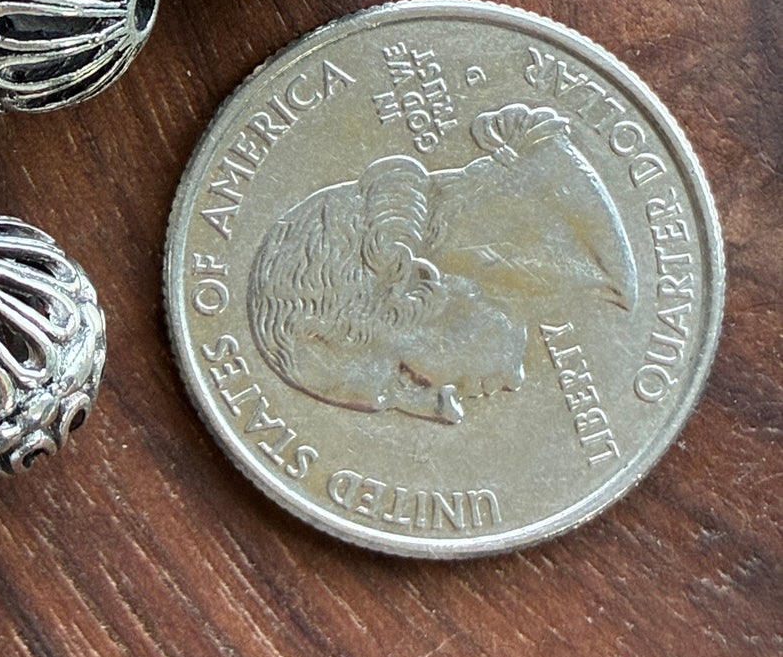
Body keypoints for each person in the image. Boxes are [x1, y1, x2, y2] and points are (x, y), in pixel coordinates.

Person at [247, 103, 637, 424]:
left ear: (414, 286)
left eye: (406, 376)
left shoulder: (594, 250)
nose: (448, 411)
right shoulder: (596, 257)